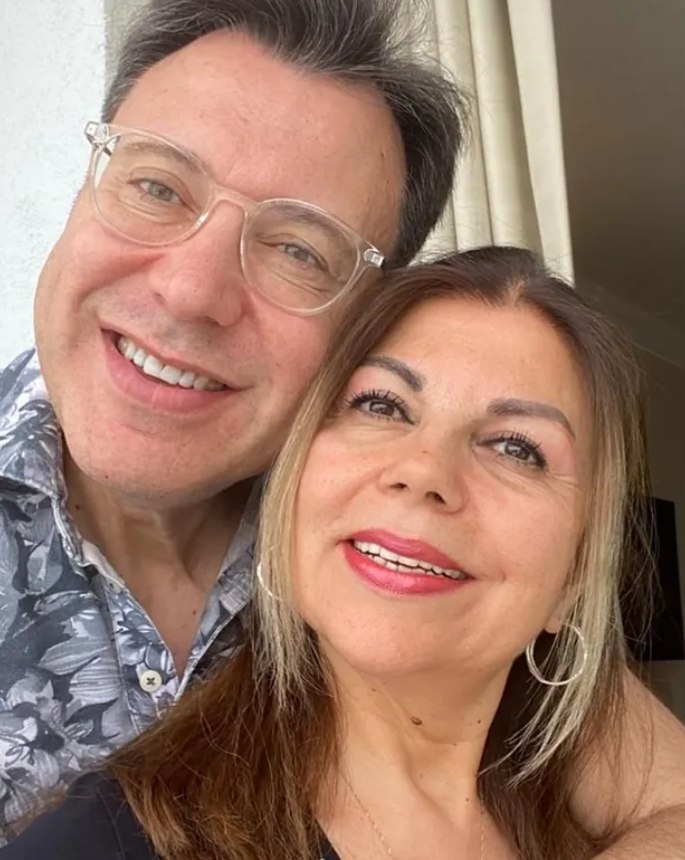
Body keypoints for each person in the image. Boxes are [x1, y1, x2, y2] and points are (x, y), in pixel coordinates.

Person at [0, 0, 684, 855]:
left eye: (299, 249)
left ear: (365, 317)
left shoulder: (377, 525)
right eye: (157, 187)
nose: (189, 291)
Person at [0, 247, 677, 860]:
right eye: (381, 405)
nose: (424, 470)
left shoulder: (594, 814)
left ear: (575, 575)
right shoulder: (100, 845)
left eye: (515, 448)